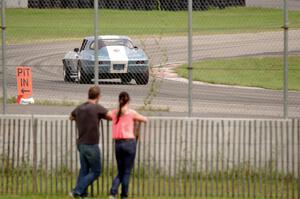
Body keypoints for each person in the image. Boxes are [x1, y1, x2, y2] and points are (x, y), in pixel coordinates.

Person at [69, 85, 112, 198]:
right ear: (98, 96)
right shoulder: (96, 108)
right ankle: (76, 190)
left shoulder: (79, 108)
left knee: (84, 169)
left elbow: (71, 116)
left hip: (81, 144)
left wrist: (79, 119)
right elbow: (111, 116)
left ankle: (82, 194)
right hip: (91, 144)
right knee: (96, 171)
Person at [109, 92, 147, 199]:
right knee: (126, 171)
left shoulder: (115, 113)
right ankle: (124, 195)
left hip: (118, 144)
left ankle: (113, 192)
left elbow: (107, 115)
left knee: (120, 170)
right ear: (128, 101)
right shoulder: (131, 113)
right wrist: (137, 120)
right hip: (129, 143)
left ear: (119, 100)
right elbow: (145, 119)